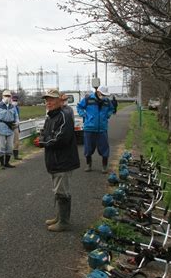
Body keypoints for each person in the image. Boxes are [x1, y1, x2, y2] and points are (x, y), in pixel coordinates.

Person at [39, 88, 80, 232]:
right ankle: (58, 217)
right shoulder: (51, 116)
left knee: (62, 191)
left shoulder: (64, 115)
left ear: (59, 100)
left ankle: (64, 222)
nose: (48, 102)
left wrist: (43, 142)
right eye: (46, 99)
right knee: (58, 190)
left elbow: (61, 138)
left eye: (51, 99)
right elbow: (44, 132)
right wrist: (43, 139)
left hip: (63, 160)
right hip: (55, 160)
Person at [77, 85, 115, 173]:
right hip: (89, 128)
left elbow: (111, 109)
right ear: (98, 92)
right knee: (88, 148)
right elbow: (79, 107)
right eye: (102, 94)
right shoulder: (88, 99)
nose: (103, 96)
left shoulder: (107, 101)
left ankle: (104, 166)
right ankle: (88, 164)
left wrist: (107, 115)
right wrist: (84, 115)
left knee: (105, 148)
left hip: (102, 129)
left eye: (105, 95)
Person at [0, 90, 18, 169]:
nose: (7, 97)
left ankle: (7, 162)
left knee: (10, 146)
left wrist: (17, 124)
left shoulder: (12, 107)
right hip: (1, 128)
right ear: (2, 96)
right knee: (1, 146)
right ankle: (2, 164)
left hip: (11, 128)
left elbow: (16, 117)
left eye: (9, 96)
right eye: (6, 96)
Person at [11, 95, 22, 160]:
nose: (15, 101)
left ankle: (16, 155)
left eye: (16, 100)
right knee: (9, 142)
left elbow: (18, 118)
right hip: (9, 126)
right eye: (14, 100)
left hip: (16, 126)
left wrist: (18, 127)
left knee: (16, 141)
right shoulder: (9, 107)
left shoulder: (17, 108)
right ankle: (7, 156)